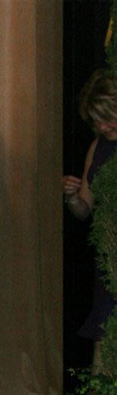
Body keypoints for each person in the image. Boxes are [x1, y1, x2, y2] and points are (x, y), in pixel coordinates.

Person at [62, 69, 117, 371]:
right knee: (103, 346)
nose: (102, 126)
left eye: (107, 118)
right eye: (97, 121)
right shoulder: (98, 146)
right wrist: (71, 196)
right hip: (108, 260)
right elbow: (84, 209)